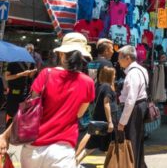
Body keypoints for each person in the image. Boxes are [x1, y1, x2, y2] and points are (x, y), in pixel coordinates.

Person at [0, 32, 95, 167]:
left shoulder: (46, 74)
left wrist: (5, 135)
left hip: (34, 149)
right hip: (62, 151)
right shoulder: (88, 83)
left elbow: (27, 110)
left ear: (62, 54)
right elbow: (79, 114)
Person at [76, 66, 118, 164]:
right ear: (110, 76)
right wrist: (110, 122)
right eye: (114, 74)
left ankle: (77, 161)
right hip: (107, 119)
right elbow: (106, 103)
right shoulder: (107, 87)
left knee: (92, 144)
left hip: (100, 119)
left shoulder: (100, 86)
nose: (115, 76)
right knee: (112, 144)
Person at [117, 45, 149, 168]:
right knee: (137, 139)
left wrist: (122, 122)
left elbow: (130, 99)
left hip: (135, 108)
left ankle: (134, 165)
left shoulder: (133, 73)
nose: (118, 61)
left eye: (120, 58)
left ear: (128, 58)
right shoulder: (141, 69)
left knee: (132, 140)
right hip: (139, 106)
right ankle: (139, 165)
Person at [4, 61, 36, 126]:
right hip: (13, 94)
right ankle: (8, 133)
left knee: (21, 116)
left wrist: (31, 73)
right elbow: (7, 77)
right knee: (11, 115)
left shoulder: (25, 64)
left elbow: (27, 78)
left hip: (23, 94)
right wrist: (22, 74)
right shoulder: (12, 63)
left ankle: (17, 133)